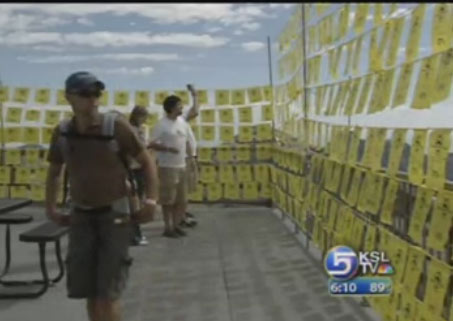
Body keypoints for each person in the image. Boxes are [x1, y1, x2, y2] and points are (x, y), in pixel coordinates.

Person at [45, 71, 158, 321]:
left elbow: (147, 163)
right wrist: (51, 207)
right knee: (90, 293)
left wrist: (150, 201)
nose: (93, 99)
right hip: (81, 216)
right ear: (69, 97)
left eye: (97, 93)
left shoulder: (116, 127)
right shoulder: (63, 132)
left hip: (114, 216)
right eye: (85, 93)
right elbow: (54, 172)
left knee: (108, 294)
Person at [148, 88, 198, 238]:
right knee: (168, 200)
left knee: (181, 200)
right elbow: (151, 143)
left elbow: (194, 114)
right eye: (179, 105)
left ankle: (176, 225)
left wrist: (192, 157)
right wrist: (167, 148)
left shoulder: (182, 122)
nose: (181, 108)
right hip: (167, 167)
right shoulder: (161, 125)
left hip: (182, 165)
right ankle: (168, 227)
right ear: (171, 108)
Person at [128, 105, 151, 246]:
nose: (145, 119)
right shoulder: (130, 130)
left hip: (140, 168)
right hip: (131, 168)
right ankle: (134, 234)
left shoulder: (142, 129)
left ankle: (135, 232)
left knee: (139, 201)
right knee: (133, 203)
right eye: (143, 116)